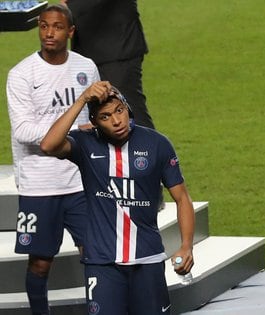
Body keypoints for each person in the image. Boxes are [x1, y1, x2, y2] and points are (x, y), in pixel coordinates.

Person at [40, 81, 195, 314]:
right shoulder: (85, 143)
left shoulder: (157, 144)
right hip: (102, 263)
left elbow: (182, 198)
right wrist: (81, 100)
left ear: (127, 109)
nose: (116, 121)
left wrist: (186, 246)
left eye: (119, 111)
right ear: (94, 122)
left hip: (148, 259)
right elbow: (48, 145)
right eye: (105, 116)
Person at [6, 4, 100, 315]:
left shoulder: (86, 67)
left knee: (96, 252)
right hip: (39, 184)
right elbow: (23, 130)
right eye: (44, 26)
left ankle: (101, 308)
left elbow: (96, 117)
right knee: (40, 261)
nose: (49, 33)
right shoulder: (21, 75)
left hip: (79, 180)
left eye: (57, 27)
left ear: (70, 32)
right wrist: (73, 129)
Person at [59, 0, 154, 129]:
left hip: (116, 51)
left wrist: (65, 9)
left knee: (130, 116)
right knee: (97, 119)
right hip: (88, 51)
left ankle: (151, 149)